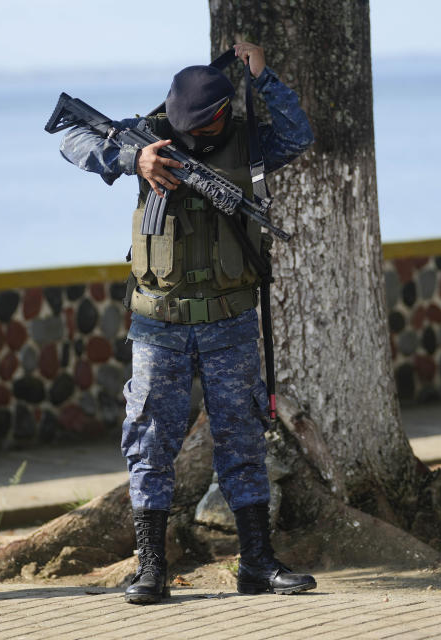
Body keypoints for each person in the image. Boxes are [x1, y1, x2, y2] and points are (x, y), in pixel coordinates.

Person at [59, 42, 317, 602]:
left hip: (229, 321)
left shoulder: (248, 140)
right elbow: (71, 141)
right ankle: (150, 568)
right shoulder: (150, 132)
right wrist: (136, 160)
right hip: (159, 324)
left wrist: (263, 76)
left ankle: (257, 563)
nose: (193, 134)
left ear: (221, 115)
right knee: (150, 442)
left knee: (242, 439)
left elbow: (299, 134)